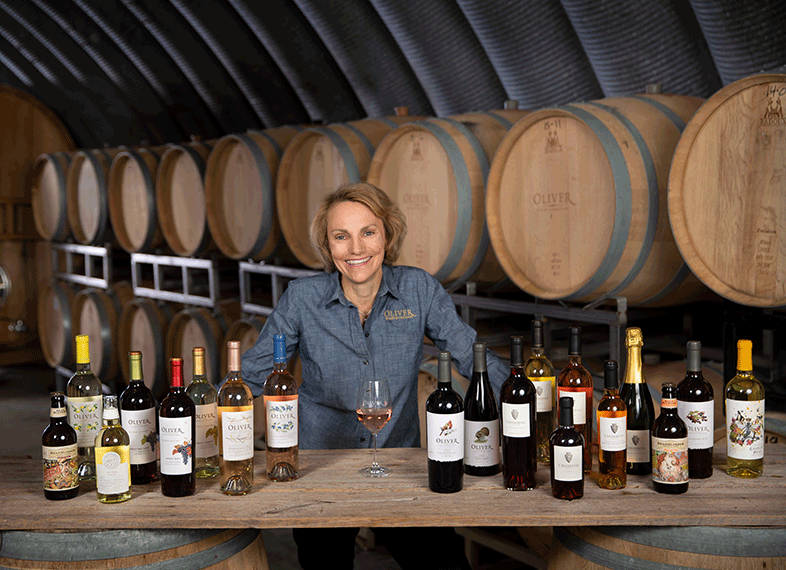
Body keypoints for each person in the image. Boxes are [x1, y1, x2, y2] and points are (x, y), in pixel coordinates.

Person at [242, 182, 509, 570]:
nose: (356, 249)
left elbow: (471, 355)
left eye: (368, 232)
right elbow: (253, 373)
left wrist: (536, 400)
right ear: (327, 245)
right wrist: (189, 423)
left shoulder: (417, 289)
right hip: (321, 470)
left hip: (401, 469)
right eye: (340, 236)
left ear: (388, 234)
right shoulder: (302, 298)